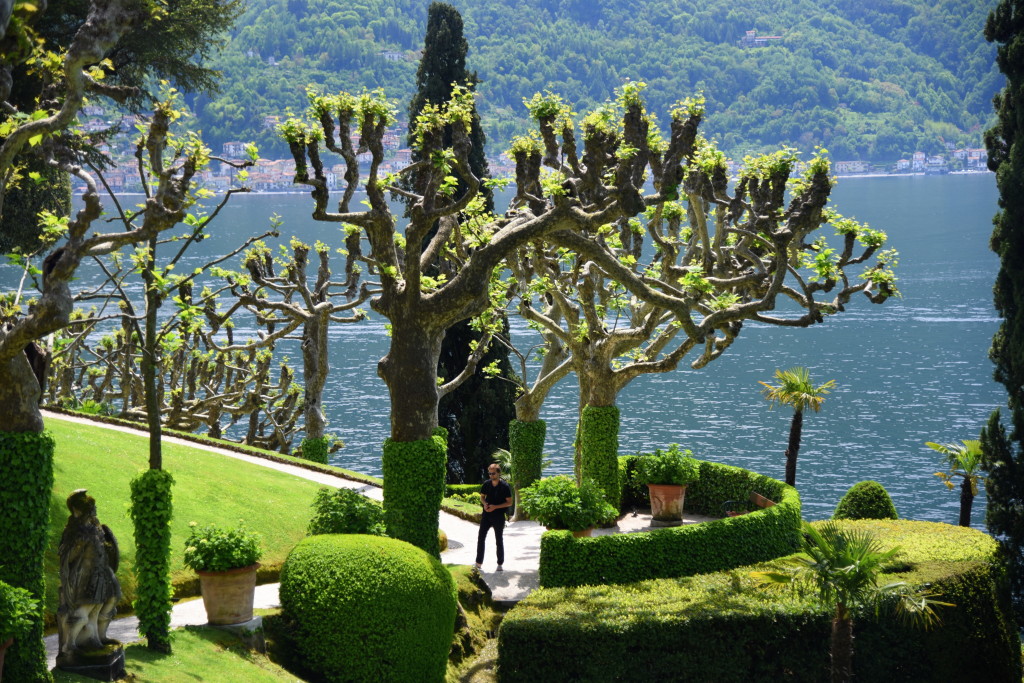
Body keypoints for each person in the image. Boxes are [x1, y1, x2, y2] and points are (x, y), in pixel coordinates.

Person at [475, 462, 512, 571]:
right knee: (481, 538)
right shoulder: (486, 484)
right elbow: (482, 497)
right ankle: (478, 563)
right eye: (490, 473)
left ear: (499, 473)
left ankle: (500, 563)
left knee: (498, 540)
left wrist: (495, 507)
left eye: (493, 473)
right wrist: (485, 504)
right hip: (486, 515)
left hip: (498, 516)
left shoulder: (505, 486)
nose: (491, 475)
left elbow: (509, 502)